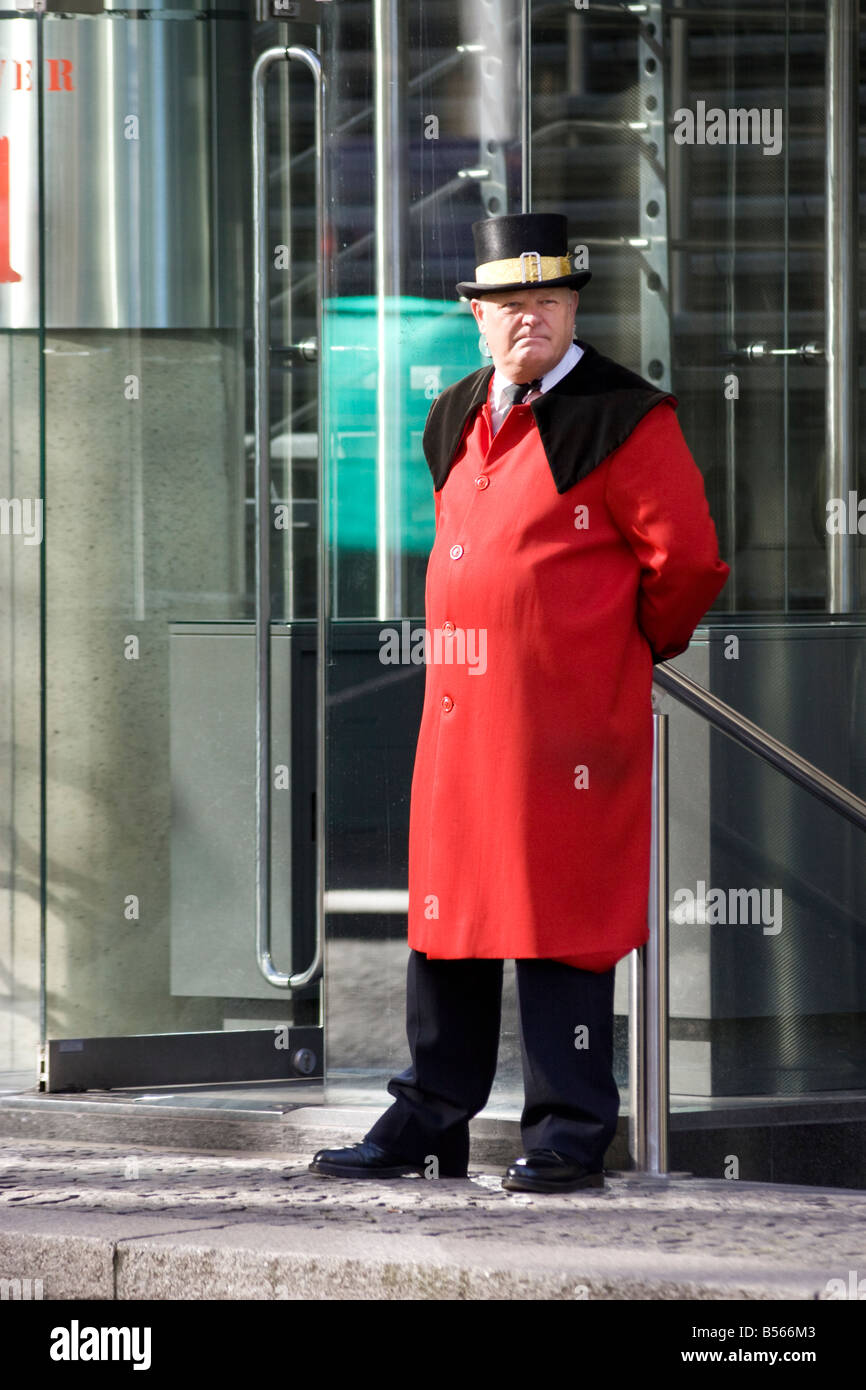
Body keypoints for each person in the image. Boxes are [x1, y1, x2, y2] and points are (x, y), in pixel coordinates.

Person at [309, 212, 730, 1192]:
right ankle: (427, 1117)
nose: (527, 319)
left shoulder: (625, 414)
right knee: (446, 919)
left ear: (572, 308)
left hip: (566, 724)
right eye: (508, 303)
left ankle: (567, 1132)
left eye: (547, 301)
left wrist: (612, 653)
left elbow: (689, 562)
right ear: (474, 315)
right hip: (459, 715)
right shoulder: (454, 409)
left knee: (559, 920)